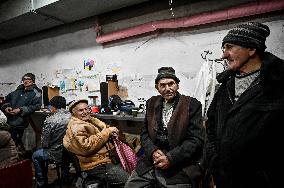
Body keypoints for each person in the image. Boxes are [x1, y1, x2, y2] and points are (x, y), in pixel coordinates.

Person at [205, 22, 284, 188]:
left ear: (252, 49)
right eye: (223, 48)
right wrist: (214, 163)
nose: (224, 55)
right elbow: (210, 127)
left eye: (230, 47)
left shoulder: (277, 84)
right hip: (225, 179)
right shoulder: (225, 86)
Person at [125, 67, 205, 188]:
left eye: (171, 84)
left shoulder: (192, 104)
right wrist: (152, 151)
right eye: (162, 85)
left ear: (177, 85)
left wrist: (171, 157)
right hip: (153, 160)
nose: (167, 89)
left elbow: (195, 139)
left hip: (180, 162)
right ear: (157, 88)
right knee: (131, 186)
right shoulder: (151, 102)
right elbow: (144, 132)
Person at [63, 99, 129, 188]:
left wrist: (110, 131)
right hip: (96, 165)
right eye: (81, 110)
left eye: (87, 109)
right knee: (129, 182)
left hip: (105, 159)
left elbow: (102, 131)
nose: (85, 112)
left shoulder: (89, 120)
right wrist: (107, 132)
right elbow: (87, 147)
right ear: (73, 113)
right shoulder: (76, 126)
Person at [32, 96, 71, 188]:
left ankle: (41, 183)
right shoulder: (73, 117)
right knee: (65, 155)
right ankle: (65, 178)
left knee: (35, 156)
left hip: (55, 153)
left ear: (53, 107)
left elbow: (45, 143)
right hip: (70, 152)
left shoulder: (50, 120)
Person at [1, 73, 42, 152]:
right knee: (6, 142)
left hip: (19, 122)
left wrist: (21, 109)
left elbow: (37, 106)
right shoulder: (18, 90)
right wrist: (6, 107)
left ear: (33, 81)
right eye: (24, 79)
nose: (25, 81)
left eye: (28, 79)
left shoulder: (37, 92)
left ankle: (13, 159)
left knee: (12, 144)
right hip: (9, 120)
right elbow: (7, 100)